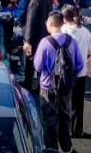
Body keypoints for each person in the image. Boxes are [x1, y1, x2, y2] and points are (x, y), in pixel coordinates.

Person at [34, 11, 82, 153]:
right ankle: (66, 147)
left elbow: (38, 66)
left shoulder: (45, 42)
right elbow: (79, 64)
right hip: (66, 86)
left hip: (48, 87)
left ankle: (52, 148)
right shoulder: (71, 41)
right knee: (65, 116)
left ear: (50, 23)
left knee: (49, 119)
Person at [60, 5, 91, 138]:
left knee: (64, 101)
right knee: (78, 102)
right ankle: (78, 130)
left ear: (64, 18)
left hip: (65, 72)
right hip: (81, 72)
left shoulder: (63, 30)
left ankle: (65, 129)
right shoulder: (85, 31)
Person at [22, 0, 52, 91]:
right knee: (42, 61)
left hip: (35, 37)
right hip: (44, 34)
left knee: (31, 62)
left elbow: (31, 21)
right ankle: (41, 86)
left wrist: (28, 41)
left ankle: (27, 86)